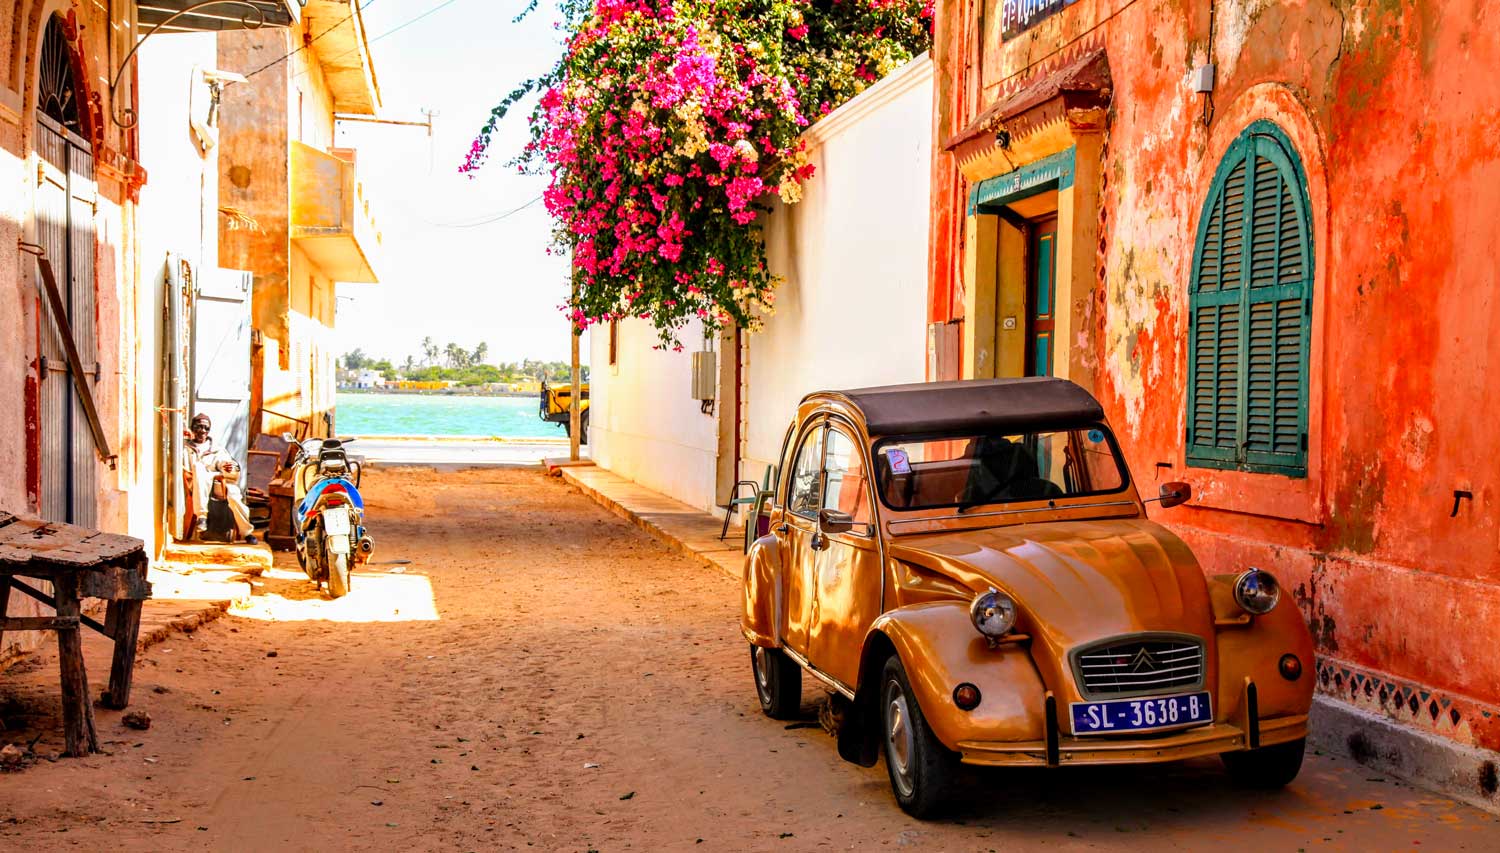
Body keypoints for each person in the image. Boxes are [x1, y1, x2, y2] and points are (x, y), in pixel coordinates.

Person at [184, 413, 257, 544]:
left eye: (206, 428)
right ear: (192, 429)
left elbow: (227, 465)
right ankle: (202, 516)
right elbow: (183, 468)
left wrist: (227, 467)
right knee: (198, 467)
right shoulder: (185, 449)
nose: (202, 431)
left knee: (234, 494)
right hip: (195, 484)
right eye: (198, 427)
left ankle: (247, 532)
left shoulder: (217, 450)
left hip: (216, 483)